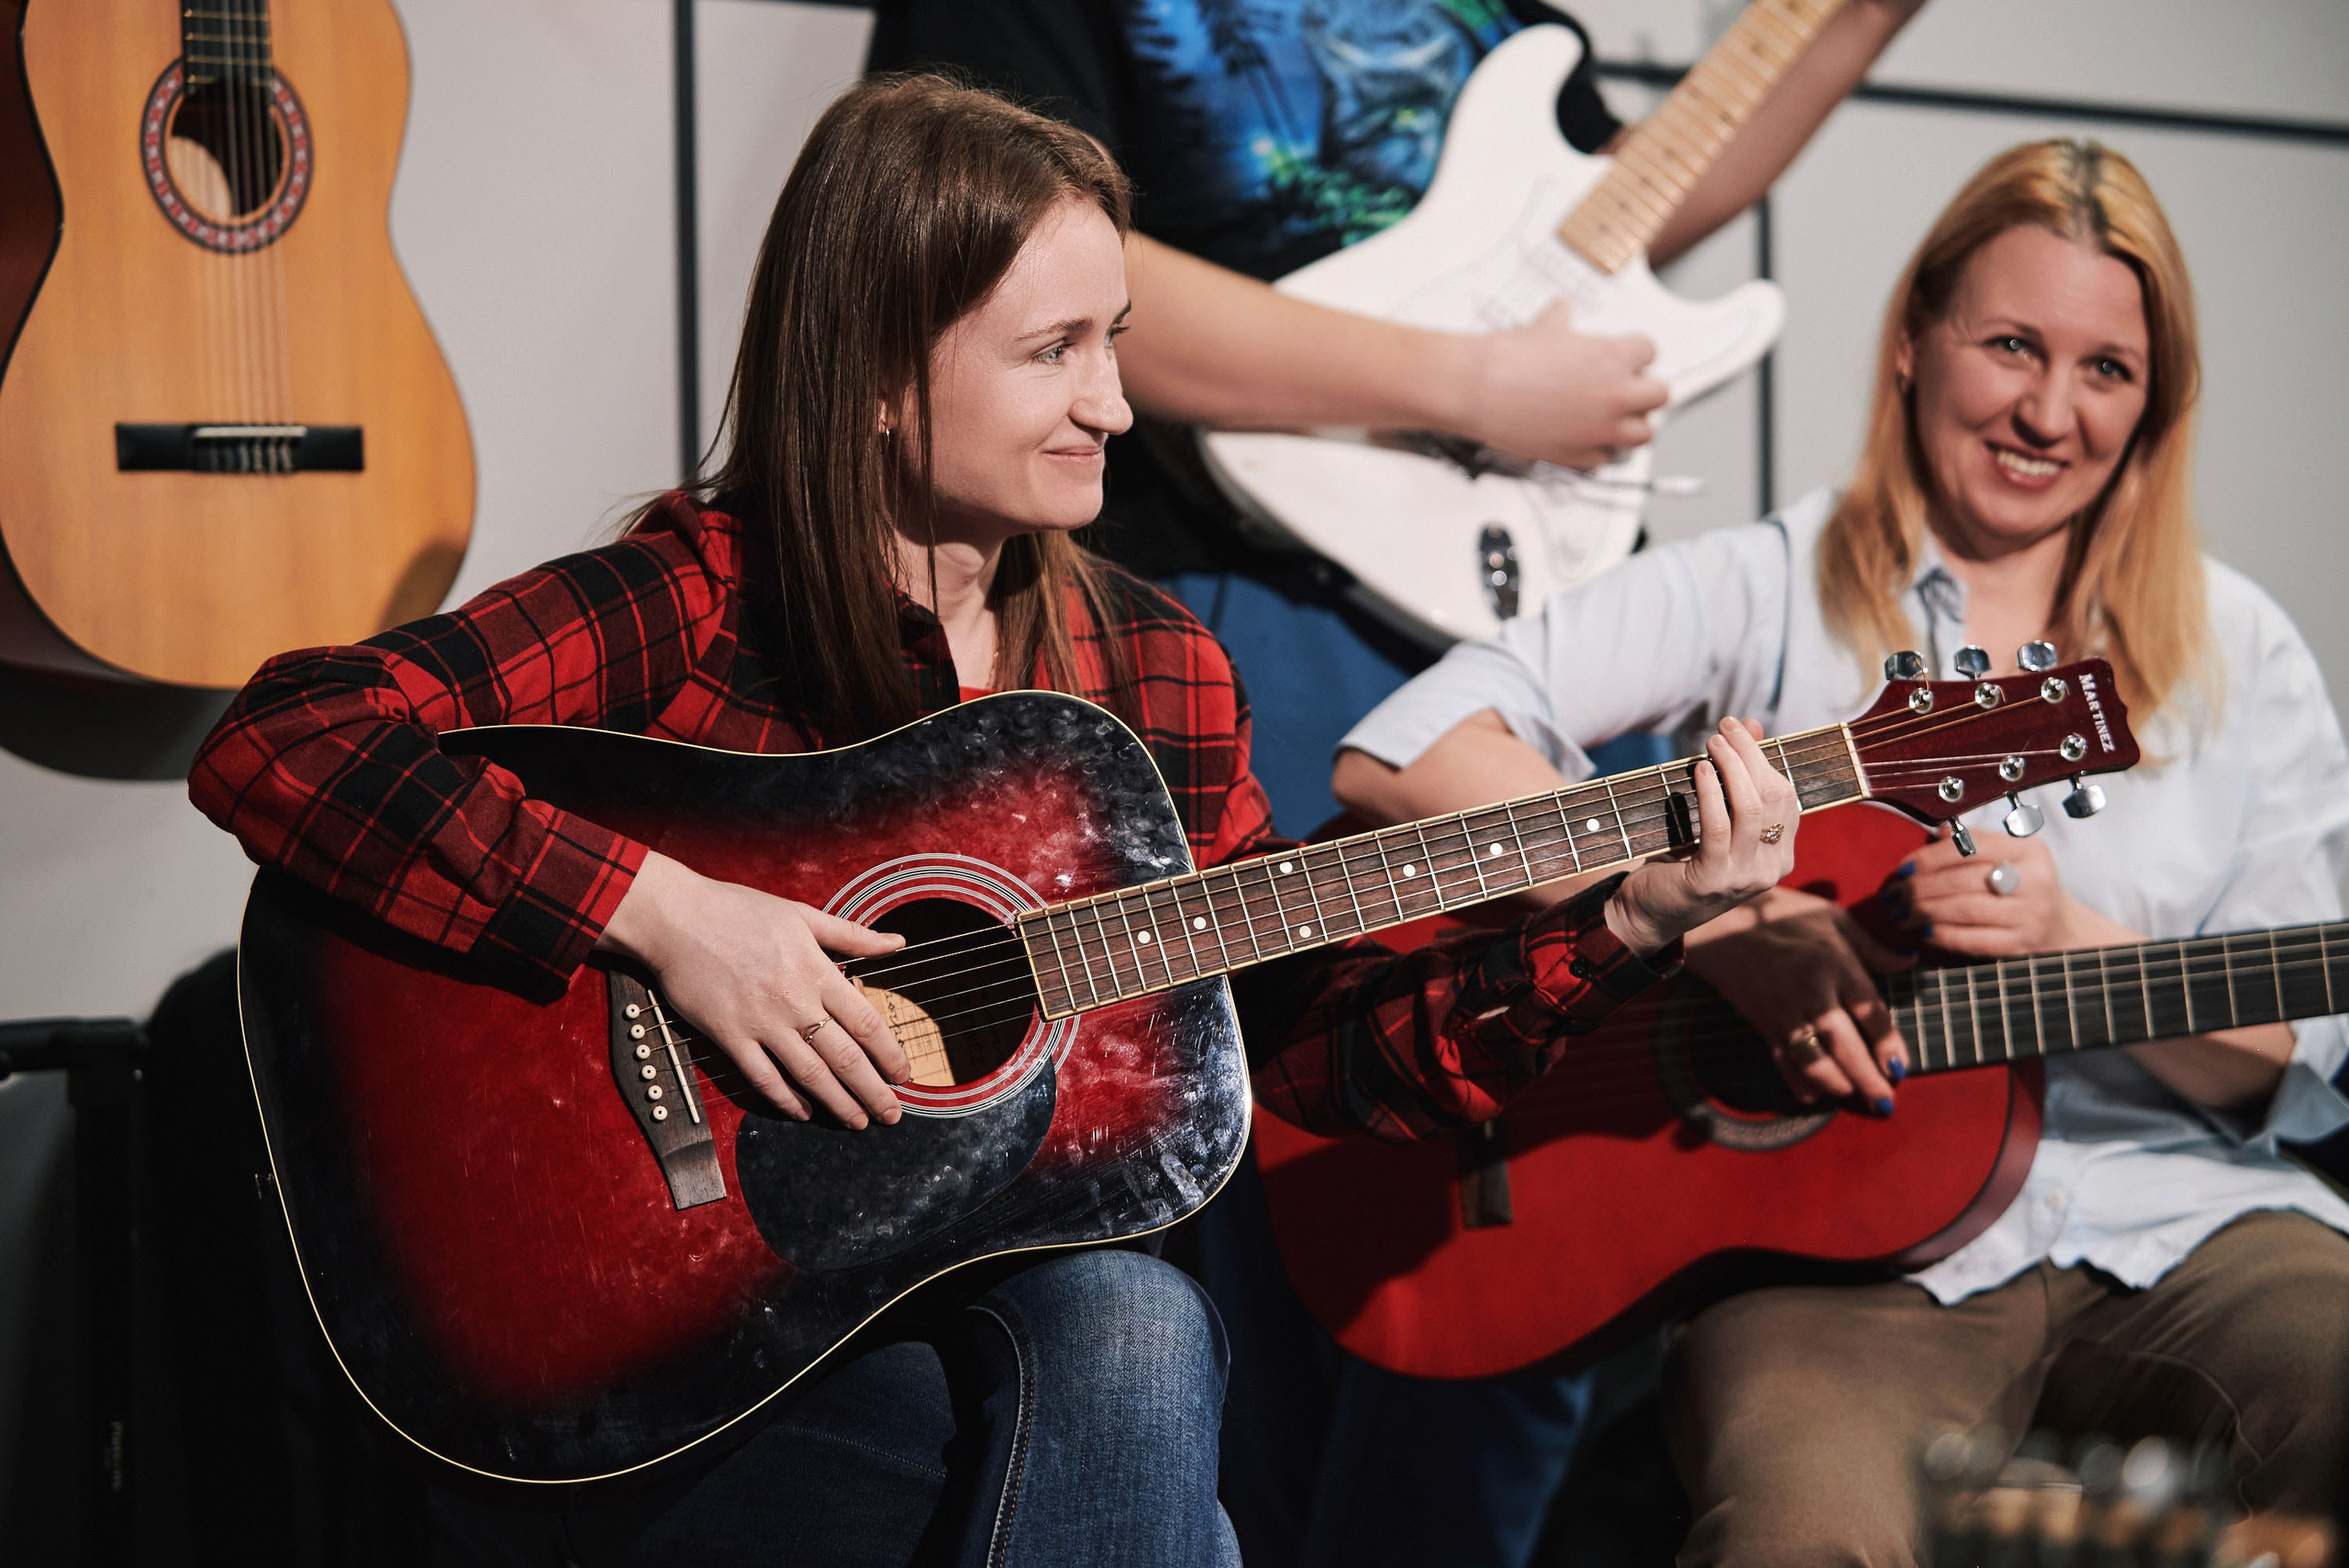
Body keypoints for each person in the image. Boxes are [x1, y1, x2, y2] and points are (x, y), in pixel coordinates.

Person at [187, 76, 1800, 1568]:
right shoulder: (695, 601)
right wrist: (673, 916)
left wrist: (1629, 917)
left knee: (1138, 1336)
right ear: (886, 374)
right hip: (659, 1373)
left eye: (1116, 341)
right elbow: (283, 739)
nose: (1113, 404)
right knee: (1172, 1452)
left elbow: (1304, 1052)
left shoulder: (1151, 663)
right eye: (1055, 352)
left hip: (1014, 1353)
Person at [1333, 139, 2349, 1562]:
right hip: (1836, 1270)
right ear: (1914, 344)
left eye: (2106, 370)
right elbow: (1405, 750)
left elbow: (2287, 1048)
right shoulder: (1770, 584)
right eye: (2010, 344)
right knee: (1796, 1536)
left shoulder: (2241, 646)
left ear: (2156, 399)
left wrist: (2073, 942)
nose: (2049, 411)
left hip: (2191, 1226)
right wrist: (1725, 931)